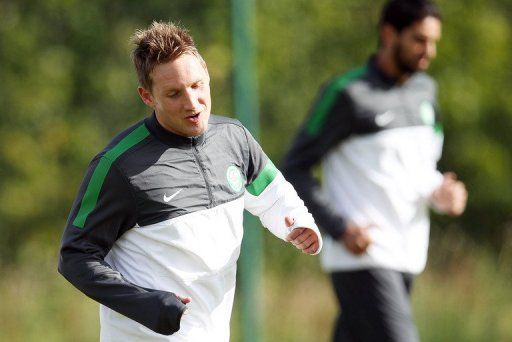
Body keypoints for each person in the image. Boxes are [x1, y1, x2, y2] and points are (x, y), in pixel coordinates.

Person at [58, 21, 322, 341]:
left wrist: (296, 224)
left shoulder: (234, 138)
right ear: (147, 96)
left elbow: (273, 194)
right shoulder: (118, 166)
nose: (192, 103)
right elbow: (75, 256)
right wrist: (147, 305)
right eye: (174, 93)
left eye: (197, 85)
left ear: (207, 74)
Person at [282, 1, 467, 341]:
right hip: (363, 257)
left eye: (433, 42)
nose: (429, 51)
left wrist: (442, 191)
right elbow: (294, 167)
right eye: (419, 40)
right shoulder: (347, 94)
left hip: (408, 253)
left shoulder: (426, 92)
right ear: (388, 33)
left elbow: (420, 170)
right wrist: (340, 229)